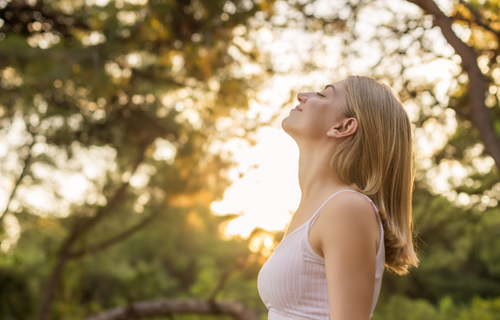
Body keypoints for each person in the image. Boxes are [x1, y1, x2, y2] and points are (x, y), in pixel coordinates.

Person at [257, 75, 419, 320]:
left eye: (322, 95)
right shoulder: (317, 207)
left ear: (343, 127)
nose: (303, 95)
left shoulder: (347, 208)